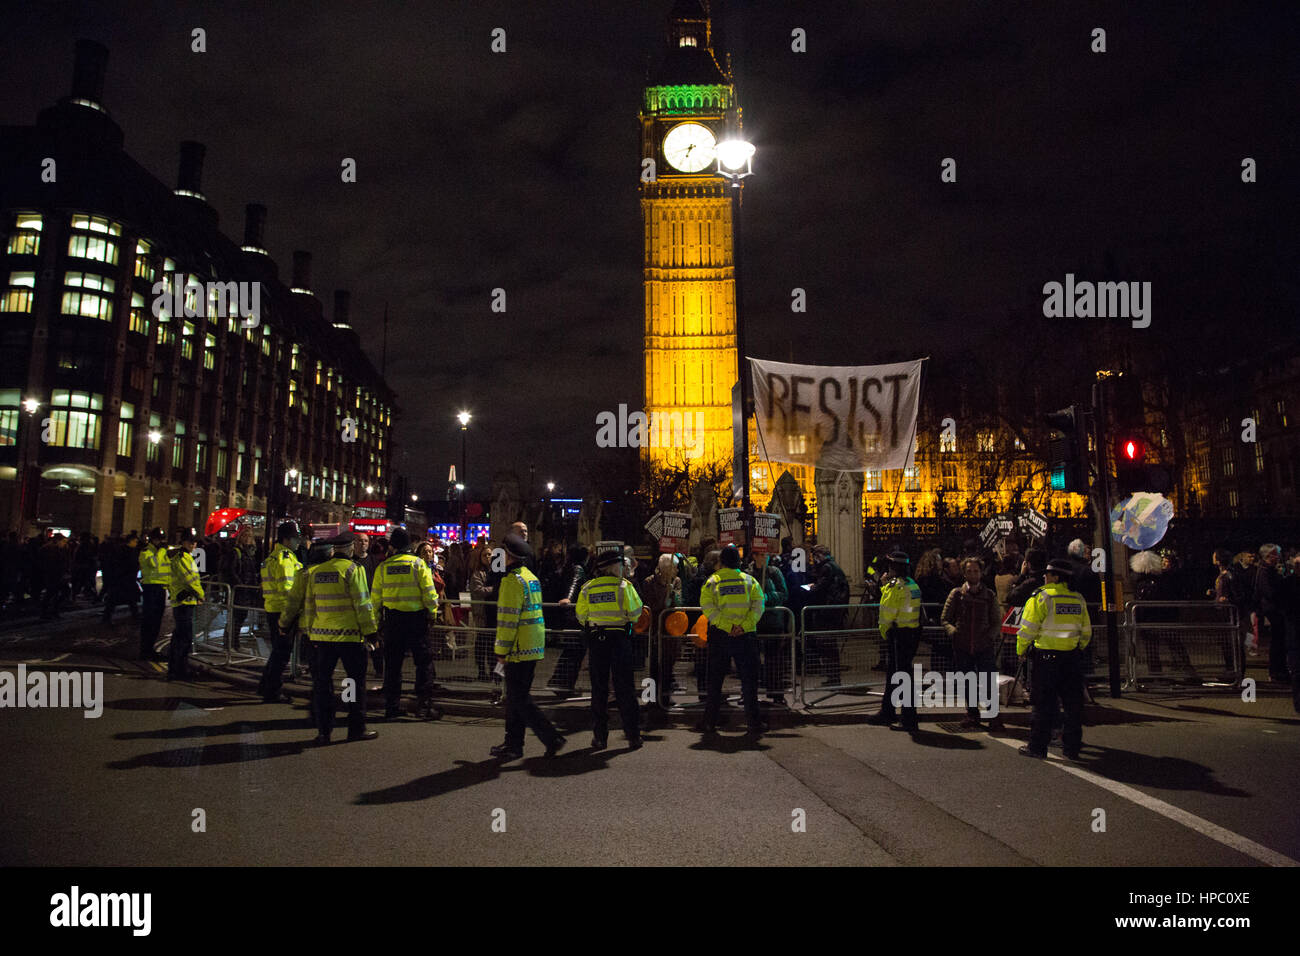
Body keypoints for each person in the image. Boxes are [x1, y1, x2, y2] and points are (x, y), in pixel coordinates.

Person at [282, 530, 379, 745]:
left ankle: (324, 731)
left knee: (323, 685)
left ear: (334, 550)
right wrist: (371, 633)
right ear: (351, 548)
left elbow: (309, 604)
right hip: (350, 638)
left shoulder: (317, 572)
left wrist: (289, 626)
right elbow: (363, 605)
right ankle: (354, 726)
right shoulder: (354, 570)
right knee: (352, 683)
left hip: (322, 638)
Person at [490, 533, 564, 760]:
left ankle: (550, 737)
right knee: (515, 699)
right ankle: (513, 744)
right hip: (532, 645)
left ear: (509, 557)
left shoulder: (511, 581)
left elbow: (508, 620)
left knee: (519, 699)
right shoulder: (530, 577)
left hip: (518, 648)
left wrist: (501, 650)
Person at [1016, 559, 1092, 759]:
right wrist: (1078, 648)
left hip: (1047, 658)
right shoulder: (1078, 599)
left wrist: (1021, 650)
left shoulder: (1041, 597)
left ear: (1056, 577)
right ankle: (1072, 748)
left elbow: (1027, 629)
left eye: (1048, 574)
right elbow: (1086, 632)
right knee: (1073, 706)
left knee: (1043, 705)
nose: (1044, 576)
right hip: (1072, 659)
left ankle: (1037, 747)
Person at [575, 543, 643, 750]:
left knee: (599, 689)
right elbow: (636, 614)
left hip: (597, 640)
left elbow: (581, 616)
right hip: (620, 640)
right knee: (625, 689)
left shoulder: (588, 587)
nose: (624, 568)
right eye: (621, 565)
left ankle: (600, 737)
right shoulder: (625, 587)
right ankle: (632, 735)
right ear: (614, 567)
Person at [372, 527, 442, 721]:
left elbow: (375, 599)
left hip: (393, 621)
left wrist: (375, 623)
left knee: (393, 666)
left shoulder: (383, 567)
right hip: (416, 621)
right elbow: (429, 593)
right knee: (423, 663)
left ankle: (391, 707)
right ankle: (423, 706)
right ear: (410, 545)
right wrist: (432, 614)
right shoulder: (418, 564)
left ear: (393, 546)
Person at [697, 545, 767, 735]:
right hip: (746, 636)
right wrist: (743, 626)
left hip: (720, 636)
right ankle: (754, 723)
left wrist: (727, 626)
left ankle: (709, 722)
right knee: (749, 682)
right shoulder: (749, 581)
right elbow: (759, 606)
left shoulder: (713, 581)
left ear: (722, 562)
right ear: (739, 561)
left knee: (715, 682)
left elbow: (708, 607)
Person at [940, 556, 1004, 729]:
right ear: (964, 573)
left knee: (988, 681)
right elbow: (945, 618)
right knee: (968, 682)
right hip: (963, 645)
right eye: (969, 571)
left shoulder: (989, 595)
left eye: (975, 571)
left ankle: (993, 715)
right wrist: (954, 633)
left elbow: (996, 621)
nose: (973, 574)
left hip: (984, 645)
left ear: (981, 573)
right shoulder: (956, 594)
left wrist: (990, 637)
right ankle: (972, 714)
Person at [866, 551, 923, 731]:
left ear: (892, 567)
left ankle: (908, 719)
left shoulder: (895, 586)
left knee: (902, 678)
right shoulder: (911, 584)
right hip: (911, 634)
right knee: (895, 676)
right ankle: (888, 711)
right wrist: (885, 585)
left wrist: (885, 632)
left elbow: (888, 611)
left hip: (898, 635)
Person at [258, 521, 304, 704]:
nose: (298, 542)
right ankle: (272, 690)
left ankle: (265, 685)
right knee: (282, 653)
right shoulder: (285, 559)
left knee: (278, 651)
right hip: (283, 611)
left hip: (272, 609)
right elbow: (288, 590)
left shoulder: (272, 557)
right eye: (295, 538)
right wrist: (294, 612)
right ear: (286, 539)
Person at [167, 529, 205, 681]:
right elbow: (190, 581)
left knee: (181, 637)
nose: (193, 544)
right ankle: (178, 670)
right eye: (190, 541)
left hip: (186, 601)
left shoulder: (187, 557)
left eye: (194, 541)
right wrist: (201, 595)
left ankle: (177, 669)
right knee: (184, 638)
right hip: (183, 602)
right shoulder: (182, 558)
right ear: (183, 542)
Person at [220, 526, 261, 651]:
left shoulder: (249, 554)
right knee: (234, 618)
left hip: (246, 591)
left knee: (240, 618)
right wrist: (240, 585)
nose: (247, 538)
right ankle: (230, 645)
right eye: (245, 536)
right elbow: (231, 571)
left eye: (249, 536)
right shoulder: (236, 552)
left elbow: (251, 571)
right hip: (238, 591)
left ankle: (234, 644)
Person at [1254, 544, 1289, 683]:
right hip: (1273, 610)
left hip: (1274, 609)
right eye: (1275, 554)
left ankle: (1279, 670)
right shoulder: (1264, 571)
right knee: (1277, 642)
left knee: (1279, 641)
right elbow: (1269, 592)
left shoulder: (1269, 570)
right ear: (1268, 556)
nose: (1278, 557)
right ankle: (1276, 672)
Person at [137, 528, 170, 661]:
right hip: (151, 589)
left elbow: (166, 569)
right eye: (158, 539)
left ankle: (150, 649)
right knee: (149, 621)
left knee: (156, 621)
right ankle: (145, 650)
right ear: (152, 539)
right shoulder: (146, 552)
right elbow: (153, 564)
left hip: (160, 588)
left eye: (162, 539)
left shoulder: (160, 552)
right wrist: (162, 550)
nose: (160, 542)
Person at [102, 531, 142, 625]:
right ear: (131, 541)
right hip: (123, 579)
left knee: (129, 599)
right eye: (135, 541)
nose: (136, 544)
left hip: (126, 579)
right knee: (116, 599)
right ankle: (107, 617)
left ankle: (135, 616)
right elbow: (125, 564)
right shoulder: (125, 551)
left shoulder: (126, 550)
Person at [38, 532, 72, 620]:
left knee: (52, 593)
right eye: (63, 541)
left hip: (55, 574)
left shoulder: (51, 547)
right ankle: (49, 611)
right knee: (53, 593)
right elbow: (54, 562)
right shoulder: (52, 548)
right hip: (54, 574)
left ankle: (49, 611)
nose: (65, 543)